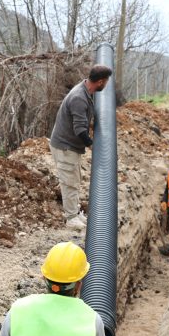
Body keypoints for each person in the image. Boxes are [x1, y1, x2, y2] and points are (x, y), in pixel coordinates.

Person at [50, 65, 112, 229]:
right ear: (100, 82)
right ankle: (71, 218)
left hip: (69, 145)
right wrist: (93, 145)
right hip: (65, 146)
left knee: (74, 180)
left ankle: (75, 213)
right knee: (69, 182)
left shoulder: (85, 90)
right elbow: (80, 130)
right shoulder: (79, 98)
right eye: (106, 82)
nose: (106, 85)